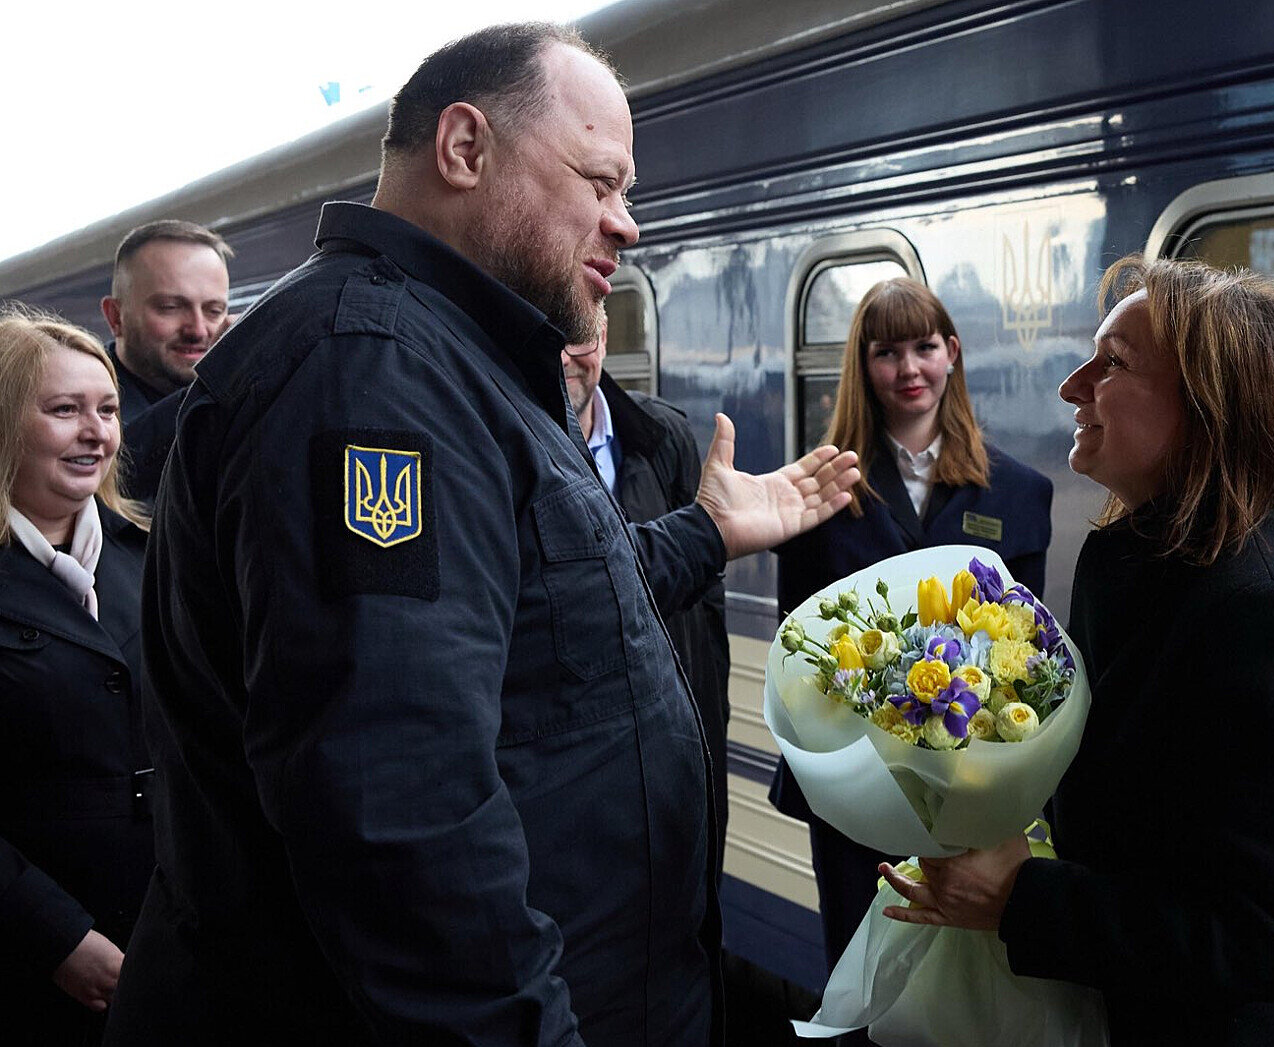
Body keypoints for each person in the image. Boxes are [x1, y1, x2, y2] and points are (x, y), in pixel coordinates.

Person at [102, 23, 859, 1047]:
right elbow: (399, 817)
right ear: (465, 149)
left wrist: (702, 535)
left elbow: (530, 609)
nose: (626, 224)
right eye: (601, 181)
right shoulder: (370, 377)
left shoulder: (451, 363)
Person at [878, 256, 1274, 1047]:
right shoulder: (1149, 557)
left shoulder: (1270, 615)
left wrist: (1021, 899)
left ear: (1208, 406)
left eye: (1112, 363)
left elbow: (1264, 940)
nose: (1071, 385)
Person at [768, 276, 1053, 984]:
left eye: (924, 346)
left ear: (951, 352)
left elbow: (1027, 654)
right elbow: (795, 646)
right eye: (887, 351)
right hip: (850, 793)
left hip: (970, 786)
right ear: (863, 367)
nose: (909, 369)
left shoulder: (1019, 493)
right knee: (864, 975)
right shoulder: (819, 493)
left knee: (963, 983)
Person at [0, 305, 153, 1045]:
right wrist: (54, 934)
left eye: (108, 409)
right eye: (65, 410)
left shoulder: (149, 557)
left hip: (170, 942)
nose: (97, 433)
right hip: (31, 964)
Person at [562, 310, 730, 805]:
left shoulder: (663, 436)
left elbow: (704, 613)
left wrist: (708, 732)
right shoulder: (508, 452)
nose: (564, 358)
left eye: (576, 337)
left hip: (675, 754)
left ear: (604, 338)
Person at [96, 221, 234, 501]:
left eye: (214, 310)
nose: (198, 330)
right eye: (170, 308)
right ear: (116, 317)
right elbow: (114, 471)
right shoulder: (75, 394)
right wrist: (218, 381)